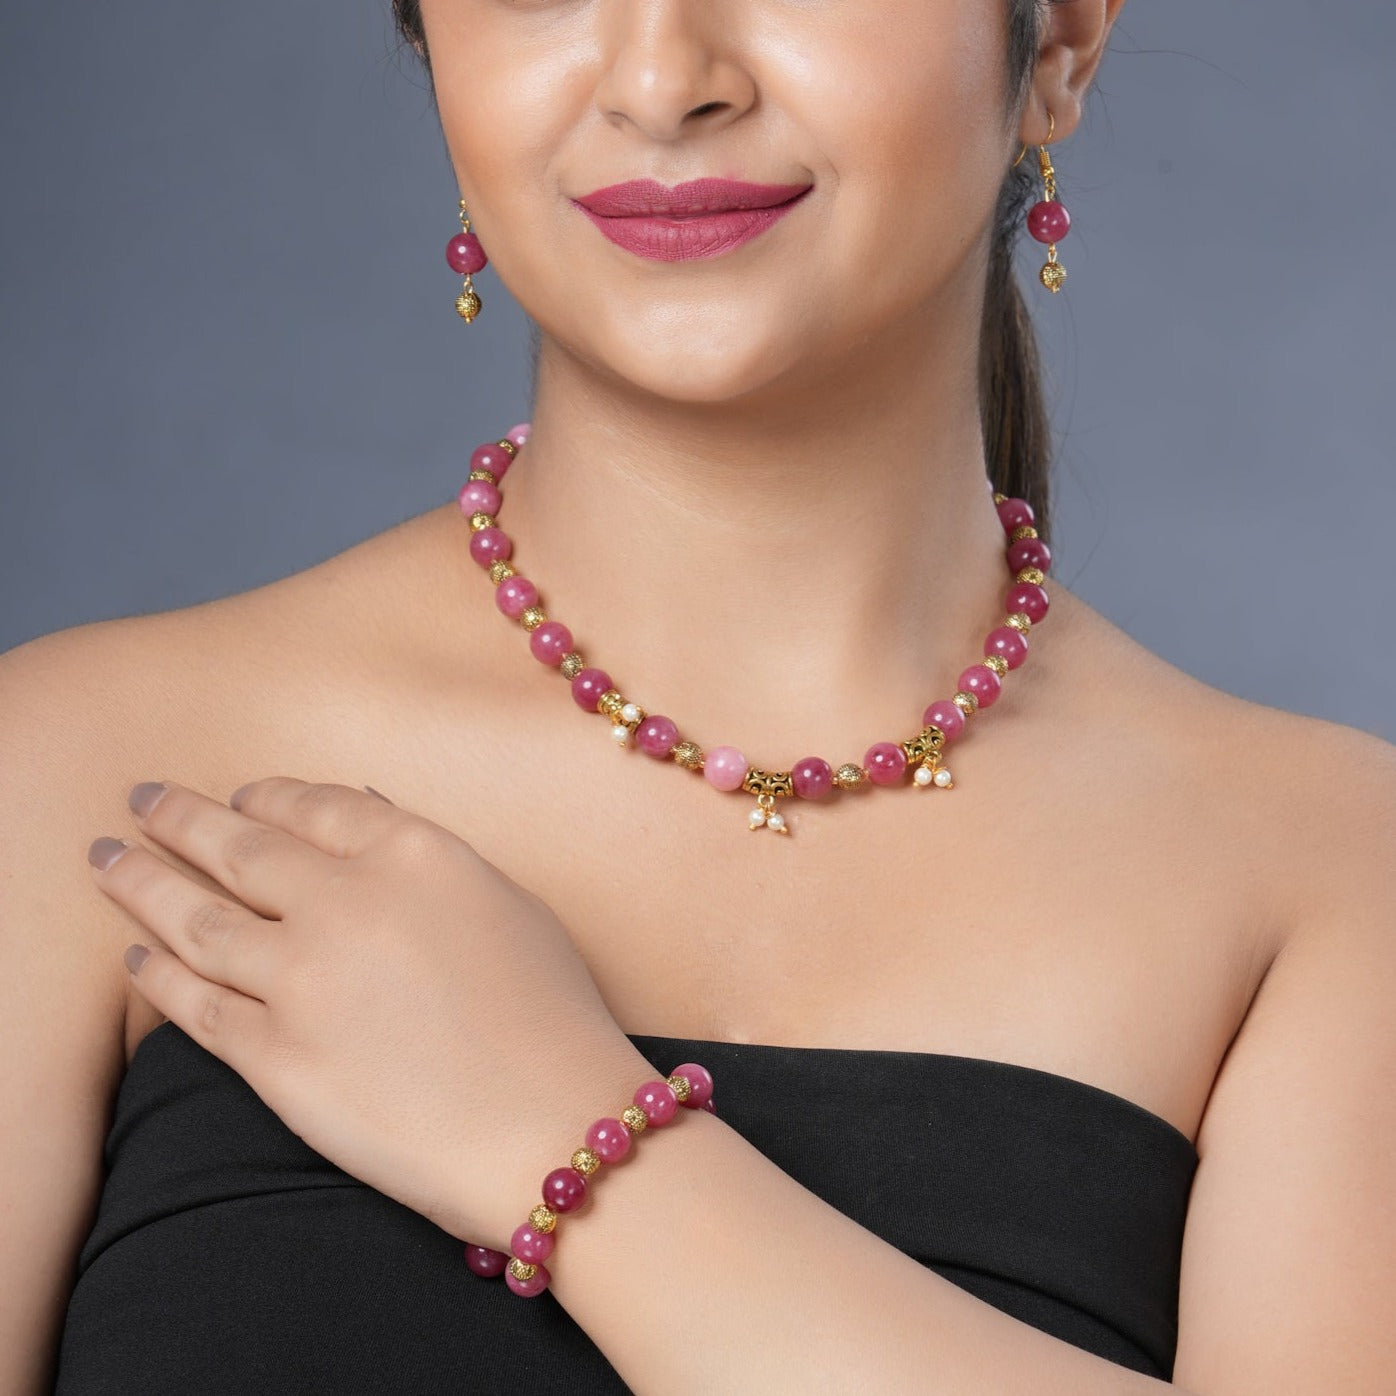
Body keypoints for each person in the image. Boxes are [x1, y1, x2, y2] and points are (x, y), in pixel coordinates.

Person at [3, 0, 1392, 1391]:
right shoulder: (80, 772)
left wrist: (566, 1140)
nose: (667, 81)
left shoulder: (1329, 875)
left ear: (1063, 44)